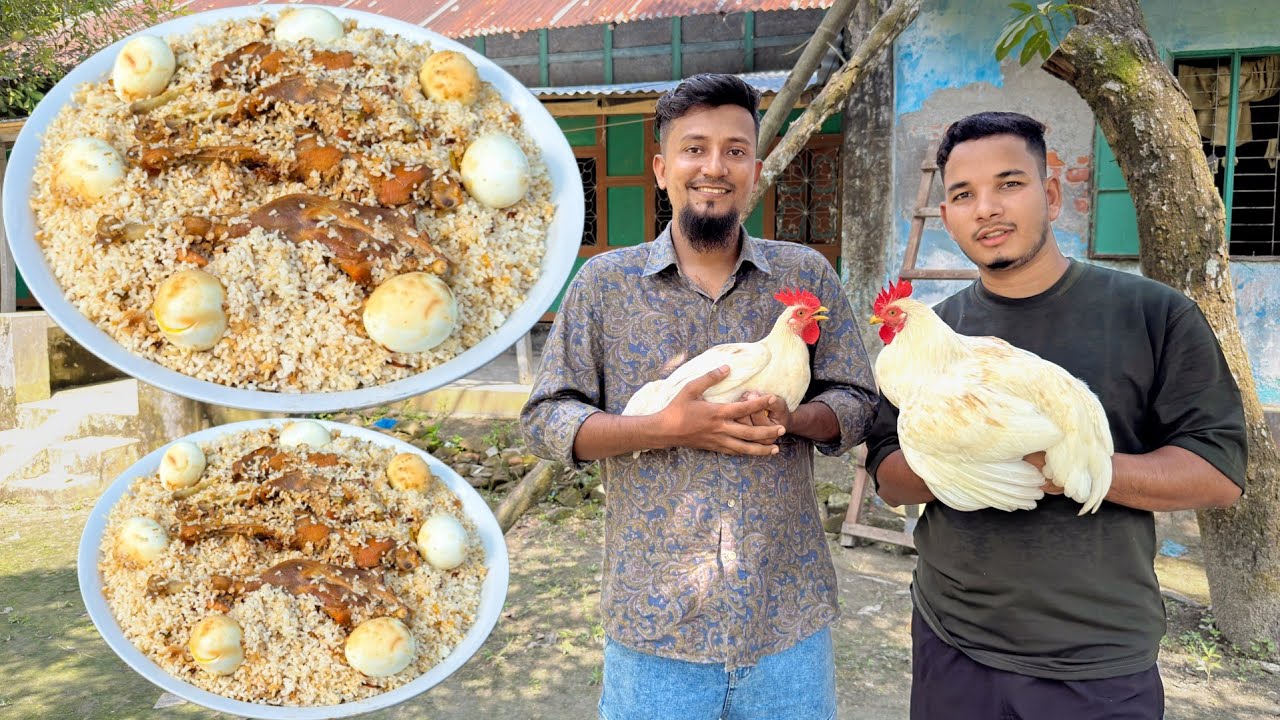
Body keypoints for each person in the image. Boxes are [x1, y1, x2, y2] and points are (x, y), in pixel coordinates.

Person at [865, 111, 1248, 720]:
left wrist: (1066, 466)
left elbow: (1216, 472)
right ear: (947, 217)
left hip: (1098, 658)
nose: (986, 208)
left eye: (1009, 184)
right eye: (963, 194)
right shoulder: (928, 336)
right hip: (953, 641)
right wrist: (964, 452)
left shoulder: (1154, 315)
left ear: (1050, 194)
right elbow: (888, 471)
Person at [520, 73, 879, 720]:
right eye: (694, 148)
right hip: (656, 627)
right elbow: (547, 418)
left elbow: (857, 399)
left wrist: (794, 418)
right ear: (661, 168)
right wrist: (664, 427)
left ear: (754, 169)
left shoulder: (805, 274)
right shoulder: (605, 286)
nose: (714, 167)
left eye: (735, 150)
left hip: (786, 623)